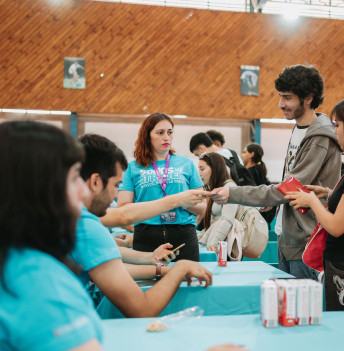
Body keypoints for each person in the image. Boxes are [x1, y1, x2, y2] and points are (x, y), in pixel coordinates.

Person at [0, 120, 252, 351]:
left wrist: (158, 266)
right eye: (74, 176)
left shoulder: (21, 259)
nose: (81, 188)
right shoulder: (38, 281)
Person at [211, 64, 342, 280]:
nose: (281, 104)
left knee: (301, 311)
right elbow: (289, 186)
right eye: (281, 97)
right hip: (288, 237)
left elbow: (288, 188)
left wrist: (232, 193)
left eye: (287, 97)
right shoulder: (302, 130)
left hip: (307, 243)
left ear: (308, 98)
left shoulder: (320, 137)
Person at [73, 133, 212, 317]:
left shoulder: (70, 216)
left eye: (170, 132)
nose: (115, 194)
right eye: (116, 185)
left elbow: (108, 260)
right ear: (96, 181)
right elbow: (141, 308)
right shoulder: (84, 225)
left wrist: (155, 265)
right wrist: (178, 269)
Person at [284, 94, 344, 313]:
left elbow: (336, 226)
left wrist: (311, 202)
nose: (335, 131)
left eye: (338, 125)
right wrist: (328, 194)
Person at [117, 113, 205, 262]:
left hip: (183, 234)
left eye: (170, 132)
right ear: (147, 136)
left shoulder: (187, 164)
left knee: (187, 281)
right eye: (160, 133)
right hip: (146, 235)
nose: (167, 137)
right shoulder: (133, 168)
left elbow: (202, 207)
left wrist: (180, 201)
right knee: (149, 283)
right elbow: (123, 207)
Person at [197, 153, 239, 254]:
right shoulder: (215, 189)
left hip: (224, 247)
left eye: (202, 169)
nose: (199, 173)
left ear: (214, 169)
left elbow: (227, 220)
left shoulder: (229, 187)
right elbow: (211, 225)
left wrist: (214, 244)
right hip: (217, 244)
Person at [241, 143, 276, 225]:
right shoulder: (258, 171)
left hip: (254, 217)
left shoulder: (251, 172)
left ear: (251, 154)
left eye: (244, 152)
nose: (242, 155)